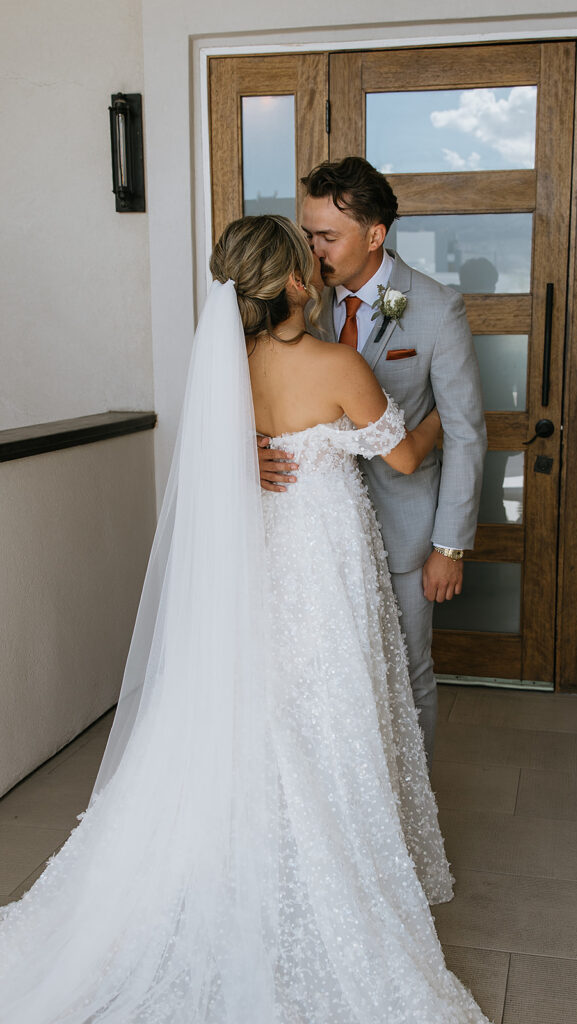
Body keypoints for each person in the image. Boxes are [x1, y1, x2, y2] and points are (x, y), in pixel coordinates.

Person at [0, 215, 491, 1024]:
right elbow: (402, 457)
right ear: (297, 283)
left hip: (258, 559)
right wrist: (436, 412)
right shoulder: (334, 363)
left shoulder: (226, 366)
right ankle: (319, 865)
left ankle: (239, 858)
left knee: (258, 702)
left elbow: (213, 457)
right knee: (324, 709)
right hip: (323, 563)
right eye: (311, 260)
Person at [259, 158, 487, 767]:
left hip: (405, 534)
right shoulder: (297, 305)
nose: (312, 250)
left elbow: (465, 433)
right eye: (307, 235)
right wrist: (251, 452)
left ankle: (412, 823)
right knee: (326, 680)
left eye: (327, 237)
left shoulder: (438, 309)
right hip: (316, 535)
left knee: (406, 675)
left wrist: (451, 545)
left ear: (375, 234)